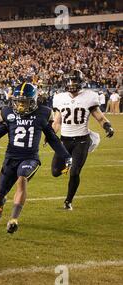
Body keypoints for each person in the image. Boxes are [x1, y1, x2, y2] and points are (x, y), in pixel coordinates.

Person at [0, 82, 72, 233]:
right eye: (18, 101)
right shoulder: (8, 112)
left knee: (22, 179)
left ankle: (14, 219)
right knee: (0, 192)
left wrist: (66, 156)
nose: (20, 106)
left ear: (33, 101)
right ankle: (0, 203)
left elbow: (52, 138)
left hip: (30, 158)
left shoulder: (43, 113)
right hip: (10, 158)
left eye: (24, 102)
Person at [51, 70, 114, 210]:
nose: (72, 84)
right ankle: (69, 163)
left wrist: (107, 126)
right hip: (65, 141)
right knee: (55, 172)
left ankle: (68, 201)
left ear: (80, 82)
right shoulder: (59, 97)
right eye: (69, 81)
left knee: (74, 172)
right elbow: (56, 121)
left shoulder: (89, 97)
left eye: (74, 81)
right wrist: (50, 134)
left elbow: (99, 116)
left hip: (82, 140)